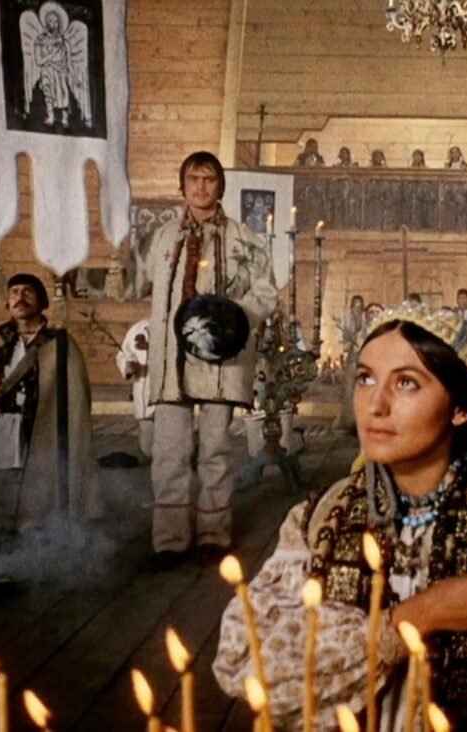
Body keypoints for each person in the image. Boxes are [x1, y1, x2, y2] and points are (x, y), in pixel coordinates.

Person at [213, 304, 467, 729]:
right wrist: (417, 616)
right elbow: (247, 663)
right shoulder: (320, 520)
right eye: (366, 378)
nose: (375, 404)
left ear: (461, 408)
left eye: (406, 383)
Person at [146, 151, 278, 568]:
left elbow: (266, 291)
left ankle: (213, 535)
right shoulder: (164, 238)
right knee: (169, 451)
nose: (201, 187)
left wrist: (234, 319)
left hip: (221, 358)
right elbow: (144, 282)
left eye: (209, 179)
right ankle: (170, 540)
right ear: (182, 186)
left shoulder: (243, 239)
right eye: (194, 179)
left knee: (215, 449)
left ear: (221, 186)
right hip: (173, 361)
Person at [0, 274, 100, 532]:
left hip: (43, 438)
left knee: (39, 510)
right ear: (8, 303)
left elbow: (77, 400)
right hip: (1, 436)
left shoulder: (60, 344)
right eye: (14, 292)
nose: (20, 297)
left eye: (28, 291)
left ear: (42, 301)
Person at [115, 319, 154, 460]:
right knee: (148, 449)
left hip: (170, 403)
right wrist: (128, 365)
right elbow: (123, 354)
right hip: (146, 400)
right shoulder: (139, 328)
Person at [334, 295, 368, 433]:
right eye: (356, 306)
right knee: (349, 390)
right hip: (352, 358)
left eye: (360, 306)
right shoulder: (347, 319)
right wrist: (348, 340)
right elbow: (340, 338)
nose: (358, 309)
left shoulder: (367, 320)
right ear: (352, 307)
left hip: (365, 358)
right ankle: (348, 421)